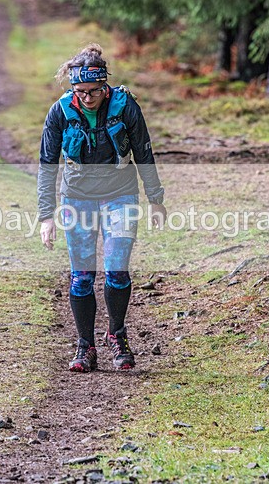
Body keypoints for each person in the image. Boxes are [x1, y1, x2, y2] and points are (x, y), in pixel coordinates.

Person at [37, 43, 166, 372]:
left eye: (94, 90)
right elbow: (47, 166)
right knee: (81, 277)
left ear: (105, 85)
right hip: (76, 198)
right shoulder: (60, 111)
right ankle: (85, 346)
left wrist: (155, 199)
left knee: (117, 270)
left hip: (120, 195)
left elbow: (144, 152)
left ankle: (117, 336)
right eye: (80, 91)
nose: (88, 97)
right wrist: (46, 216)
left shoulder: (125, 106)